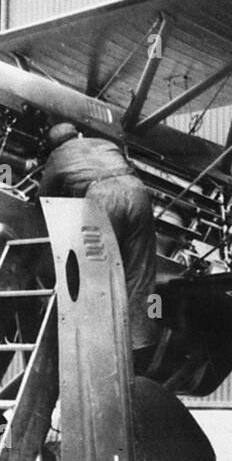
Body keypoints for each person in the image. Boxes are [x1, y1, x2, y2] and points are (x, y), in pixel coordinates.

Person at [39, 123, 159, 367]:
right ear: (78, 135)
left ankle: (98, 347)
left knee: (95, 271)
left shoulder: (58, 155)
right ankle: (141, 344)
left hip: (103, 197)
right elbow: (129, 169)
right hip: (137, 192)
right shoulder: (107, 144)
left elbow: (44, 197)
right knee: (141, 269)